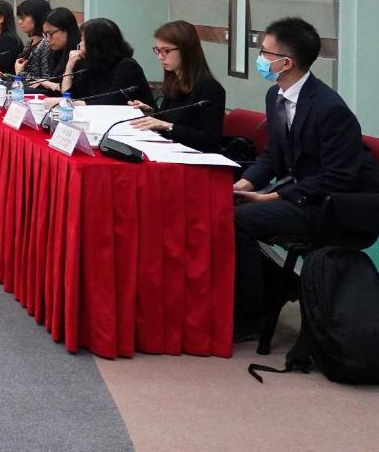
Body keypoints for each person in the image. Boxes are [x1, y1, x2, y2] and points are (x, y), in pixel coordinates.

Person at [231, 17, 379, 337]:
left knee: (238, 220)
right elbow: (273, 154)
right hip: (301, 193)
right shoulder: (276, 95)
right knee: (227, 205)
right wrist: (245, 183)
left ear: (286, 62)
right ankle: (276, 287)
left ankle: (251, 315)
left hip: (331, 204)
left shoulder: (328, 107)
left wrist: (271, 196)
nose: (260, 58)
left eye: (265, 52)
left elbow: (338, 176)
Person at [127, 20, 226, 152]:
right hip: (171, 151)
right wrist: (151, 113)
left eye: (166, 51)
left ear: (186, 50)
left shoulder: (209, 88)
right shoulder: (174, 81)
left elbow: (210, 141)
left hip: (195, 158)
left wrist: (168, 126)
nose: (160, 57)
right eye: (157, 50)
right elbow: (170, 121)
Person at [59, 17, 153, 106]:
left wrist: (69, 103)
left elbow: (110, 102)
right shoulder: (94, 66)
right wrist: (69, 67)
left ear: (95, 44)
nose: (79, 44)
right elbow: (68, 95)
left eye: (82, 40)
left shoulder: (128, 67)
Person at [0, 0, 50, 80]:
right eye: (20, 18)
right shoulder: (30, 43)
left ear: (37, 18)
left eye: (23, 18)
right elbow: (22, 75)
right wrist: (2, 75)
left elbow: (44, 80)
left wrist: (19, 72)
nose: (20, 22)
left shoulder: (47, 44)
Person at [29, 7, 80, 95]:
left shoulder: (79, 54)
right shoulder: (54, 51)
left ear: (67, 30)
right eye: (45, 34)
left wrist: (49, 84)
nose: (47, 39)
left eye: (50, 34)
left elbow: (74, 92)